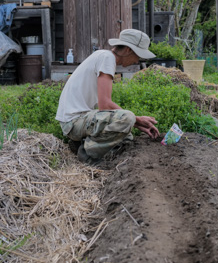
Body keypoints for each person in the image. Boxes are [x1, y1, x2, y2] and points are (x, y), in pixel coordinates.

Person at [56, 28, 161, 163]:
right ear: (128, 50)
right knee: (127, 118)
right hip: (73, 122)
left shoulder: (103, 55)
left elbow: (107, 110)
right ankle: (87, 153)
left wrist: (136, 124)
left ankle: (81, 144)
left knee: (126, 136)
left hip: (77, 119)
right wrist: (136, 119)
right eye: (138, 56)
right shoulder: (107, 59)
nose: (137, 61)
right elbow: (104, 105)